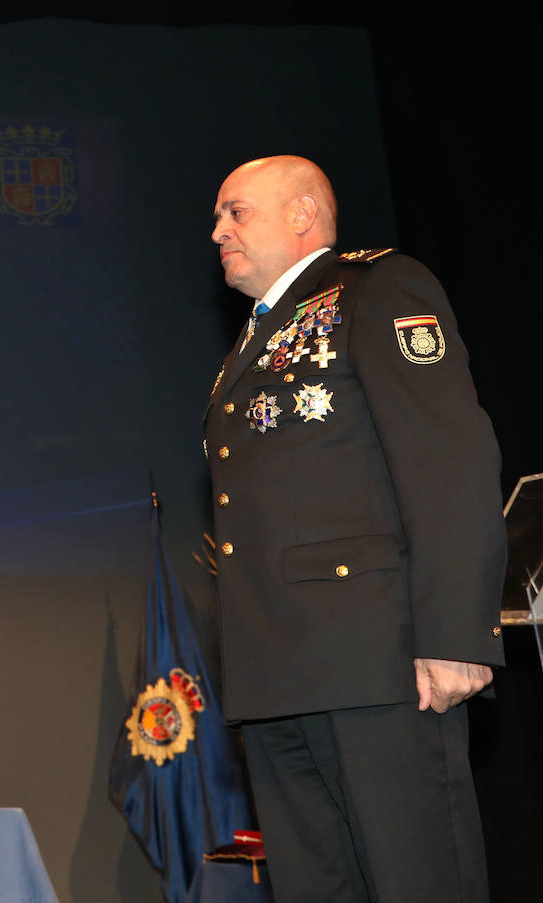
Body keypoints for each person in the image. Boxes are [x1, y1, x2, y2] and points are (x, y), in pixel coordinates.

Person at [203, 155, 505, 902]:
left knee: (417, 879)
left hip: (381, 661)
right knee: (317, 887)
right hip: (280, 669)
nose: (217, 231)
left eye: (235, 212)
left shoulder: (374, 289)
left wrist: (454, 634)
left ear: (303, 213)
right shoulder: (255, 337)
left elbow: (448, 460)